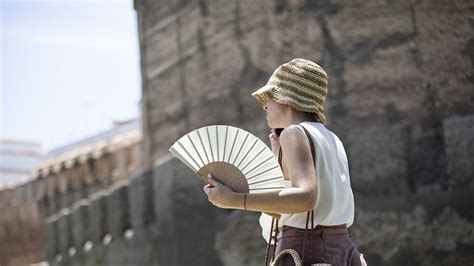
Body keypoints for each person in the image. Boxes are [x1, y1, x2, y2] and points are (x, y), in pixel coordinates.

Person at [204, 58, 366, 266]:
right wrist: (278, 161)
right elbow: (304, 203)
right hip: (343, 254)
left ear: (286, 98)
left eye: (270, 96)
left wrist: (235, 200)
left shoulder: (293, 134)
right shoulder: (332, 139)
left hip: (305, 252)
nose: (264, 105)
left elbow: (306, 197)